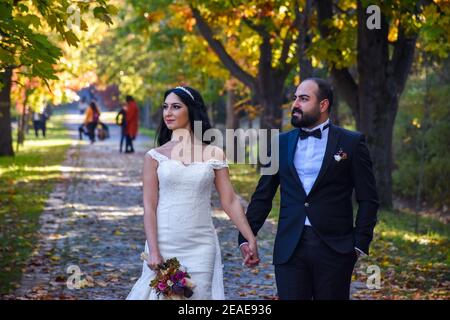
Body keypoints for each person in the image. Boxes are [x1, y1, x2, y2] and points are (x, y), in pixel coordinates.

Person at [238, 78, 379, 300]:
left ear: (323, 105)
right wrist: (246, 237)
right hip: (290, 247)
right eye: (295, 98)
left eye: (304, 99)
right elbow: (263, 196)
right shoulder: (279, 143)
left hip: (335, 249)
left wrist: (359, 243)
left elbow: (369, 198)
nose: (296, 104)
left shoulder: (351, 142)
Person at [127, 86, 258, 300]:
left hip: (201, 244)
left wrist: (249, 236)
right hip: (164, 241)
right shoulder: (154, 156)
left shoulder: (214, 154)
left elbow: (230, 200)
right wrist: (153, 250)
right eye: (165, 107)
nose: (168, 112)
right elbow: (149, 207)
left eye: (176, 107)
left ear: (191, 111)